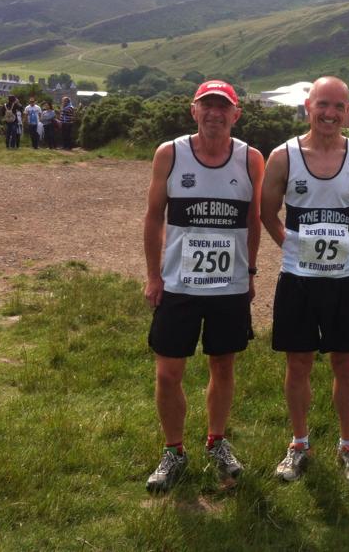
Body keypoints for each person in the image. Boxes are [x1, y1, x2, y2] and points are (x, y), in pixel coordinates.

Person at [260, 76, 349, 483]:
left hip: (344, 281)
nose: (330, 114)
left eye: (338, 107)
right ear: (307, 107)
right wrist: (290, 248)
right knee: (297, 363)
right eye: (323, 105)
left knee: (344, 363)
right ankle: (298, 443)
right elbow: (267, 213)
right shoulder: (283, 157)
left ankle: (348, 446)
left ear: (348, 112)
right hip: (297, 280)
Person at [143, 80, 265, 493]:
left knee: (223, 365)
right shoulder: (170, 154)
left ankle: (216, 441)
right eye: (206, 106)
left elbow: (253, 221)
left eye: (222, 107)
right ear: (193, 111)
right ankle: (173, 451)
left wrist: (249, 274)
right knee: (168, 372)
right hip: (179, 285)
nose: (214, 113)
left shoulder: (251, 159)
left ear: (236, 114)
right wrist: (153, 276)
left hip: (228, 287)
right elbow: (153, 217)